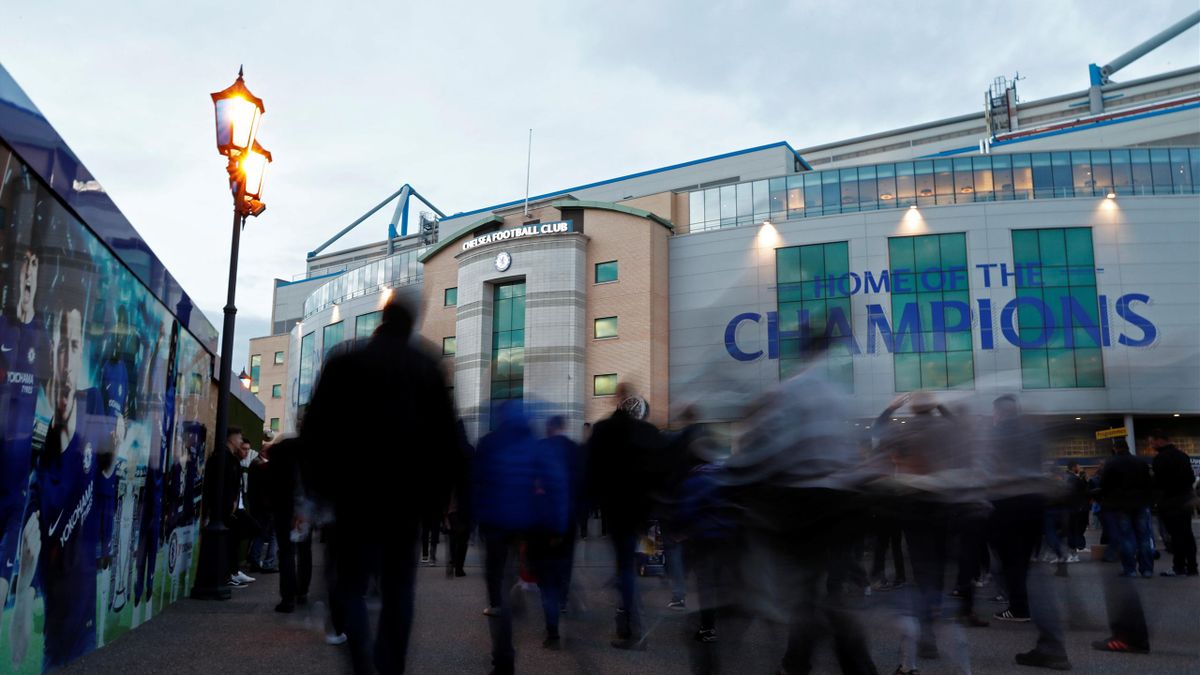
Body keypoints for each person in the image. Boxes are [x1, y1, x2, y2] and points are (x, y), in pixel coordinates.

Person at [301, 298, 458, 675]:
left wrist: (320, 489)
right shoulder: (427, 367)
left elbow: (315, 431)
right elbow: (445, 442)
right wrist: (436, 501)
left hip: (353, 498)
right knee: (399, 591)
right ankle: (390, 668)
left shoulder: (344, 362)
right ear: (412, 324)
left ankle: (362, 664)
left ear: (381, 321)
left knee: (350, 586)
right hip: (406, 502)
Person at [9, 291, 119, 667]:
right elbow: (18, 649)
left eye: (75, 345)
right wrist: (24, 581)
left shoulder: (94, 410)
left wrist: (112, 456)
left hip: (94, 628)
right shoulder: (39, 475)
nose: (67, 360)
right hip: (57, 653)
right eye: (60, 347)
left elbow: (106, 475)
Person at [984, 394, 1071, 671]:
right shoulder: (1032, 433)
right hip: (1033, 506)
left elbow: (992, 468)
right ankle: (1048, 637)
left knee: (1021, 572)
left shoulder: (998, 434)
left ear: (998, 412)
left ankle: (1050, 643)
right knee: (1029, 569)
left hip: (1008, 506)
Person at [586, 382, 665, 650]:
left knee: (624, 567)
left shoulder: (605, 430)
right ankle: (628, 611)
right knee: (632, 562)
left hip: (617, 510)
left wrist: (590, 504)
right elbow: (661, 473)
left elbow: (592, 470)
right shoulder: (650, 432)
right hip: (643, 512)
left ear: (619, 402)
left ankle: (630, 626)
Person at [0, 220, 49, 638]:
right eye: (23, 266)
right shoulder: (2, 326)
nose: (28, 273)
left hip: (18, 475)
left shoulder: (42, 337)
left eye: (34, 266)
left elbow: (53, 397)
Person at [527, 415, 574, 649]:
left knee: (546, 583)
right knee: (561, 570)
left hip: (541, 528)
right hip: (564, 525)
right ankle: (562, 600)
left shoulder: (538, 452)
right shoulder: (573, 450)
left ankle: (553, 629)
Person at [265, 436, 312, 613]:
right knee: (304, 551)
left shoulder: (277, 458)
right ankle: (302, 591)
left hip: (283, 509)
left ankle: (288, 598)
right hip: (304, 509)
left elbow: (270, 483)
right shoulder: (307, 458)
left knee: (286, 552)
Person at [1100, 439, 1154, 578]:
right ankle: (1147, 569)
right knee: (1144, 537)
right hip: (1140, 503)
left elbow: (1105, 485)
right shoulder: (1140, 462)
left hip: (1121, 504)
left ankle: (1130, 569)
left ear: (1115, 448)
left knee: (1126, 537)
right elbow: (1149, 483)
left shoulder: (1111, 463)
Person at [1149, 430, 1197, 576]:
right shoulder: (1183, 456)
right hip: (1184, 501)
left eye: (1152, 442)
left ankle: (1179, 566)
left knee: (1176, 536)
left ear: (1160, 440)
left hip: (1169, 502)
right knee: (1187, 535)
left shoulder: (1160, 459)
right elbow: (1190, 478)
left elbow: (1159, 483)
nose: (1151, 445)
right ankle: (1192, 567)